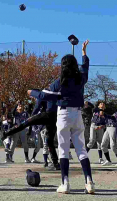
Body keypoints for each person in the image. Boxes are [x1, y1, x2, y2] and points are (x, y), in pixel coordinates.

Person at [30, 40, 95, 194]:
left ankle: (65, 183)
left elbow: (43, 96)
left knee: (63, 150)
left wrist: (31, 92)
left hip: (63, 115)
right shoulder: (80, 80)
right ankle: (89, 182)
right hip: (78, 114)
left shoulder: (58, 83)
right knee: (81, 150)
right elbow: (85, 68)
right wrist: (84, 53)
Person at [0, 90, 61, 171]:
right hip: (54, 118)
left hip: (46, 115)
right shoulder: (51, 95)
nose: (33, 99)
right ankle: (56, 164)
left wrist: (31, 119)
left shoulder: (41, 96)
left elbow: (37, 108)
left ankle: (5, 134)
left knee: (23, 124)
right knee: (50, 141)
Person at [101, 101, 117, 166]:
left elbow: (112, 118)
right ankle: (108, 161)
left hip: (114, 128)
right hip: (108, 128)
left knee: (113, 146)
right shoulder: (115, 113)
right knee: (103, 145)